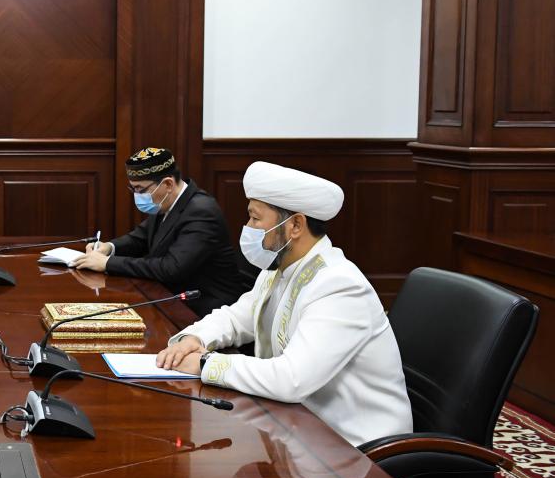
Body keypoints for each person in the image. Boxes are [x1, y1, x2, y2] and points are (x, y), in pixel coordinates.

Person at [155, 161, 412, 446]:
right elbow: (237, 317)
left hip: (356, 449)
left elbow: (292, 379)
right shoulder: (282, 268)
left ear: (295, 225)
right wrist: (195, 338)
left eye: (255, 219)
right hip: (301, 428)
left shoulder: (339, 285)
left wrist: (206, 364)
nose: (248, 228)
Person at [70, 146, 254, 316]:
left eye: (140, 189)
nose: (137, 195)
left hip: (204, 309)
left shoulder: (201, 211)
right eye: (133, 189)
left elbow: (171, 268)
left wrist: (108, 263)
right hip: (170, 297)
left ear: (167, 184)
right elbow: (140, 238)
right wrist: (109, 247)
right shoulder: (169, 202)